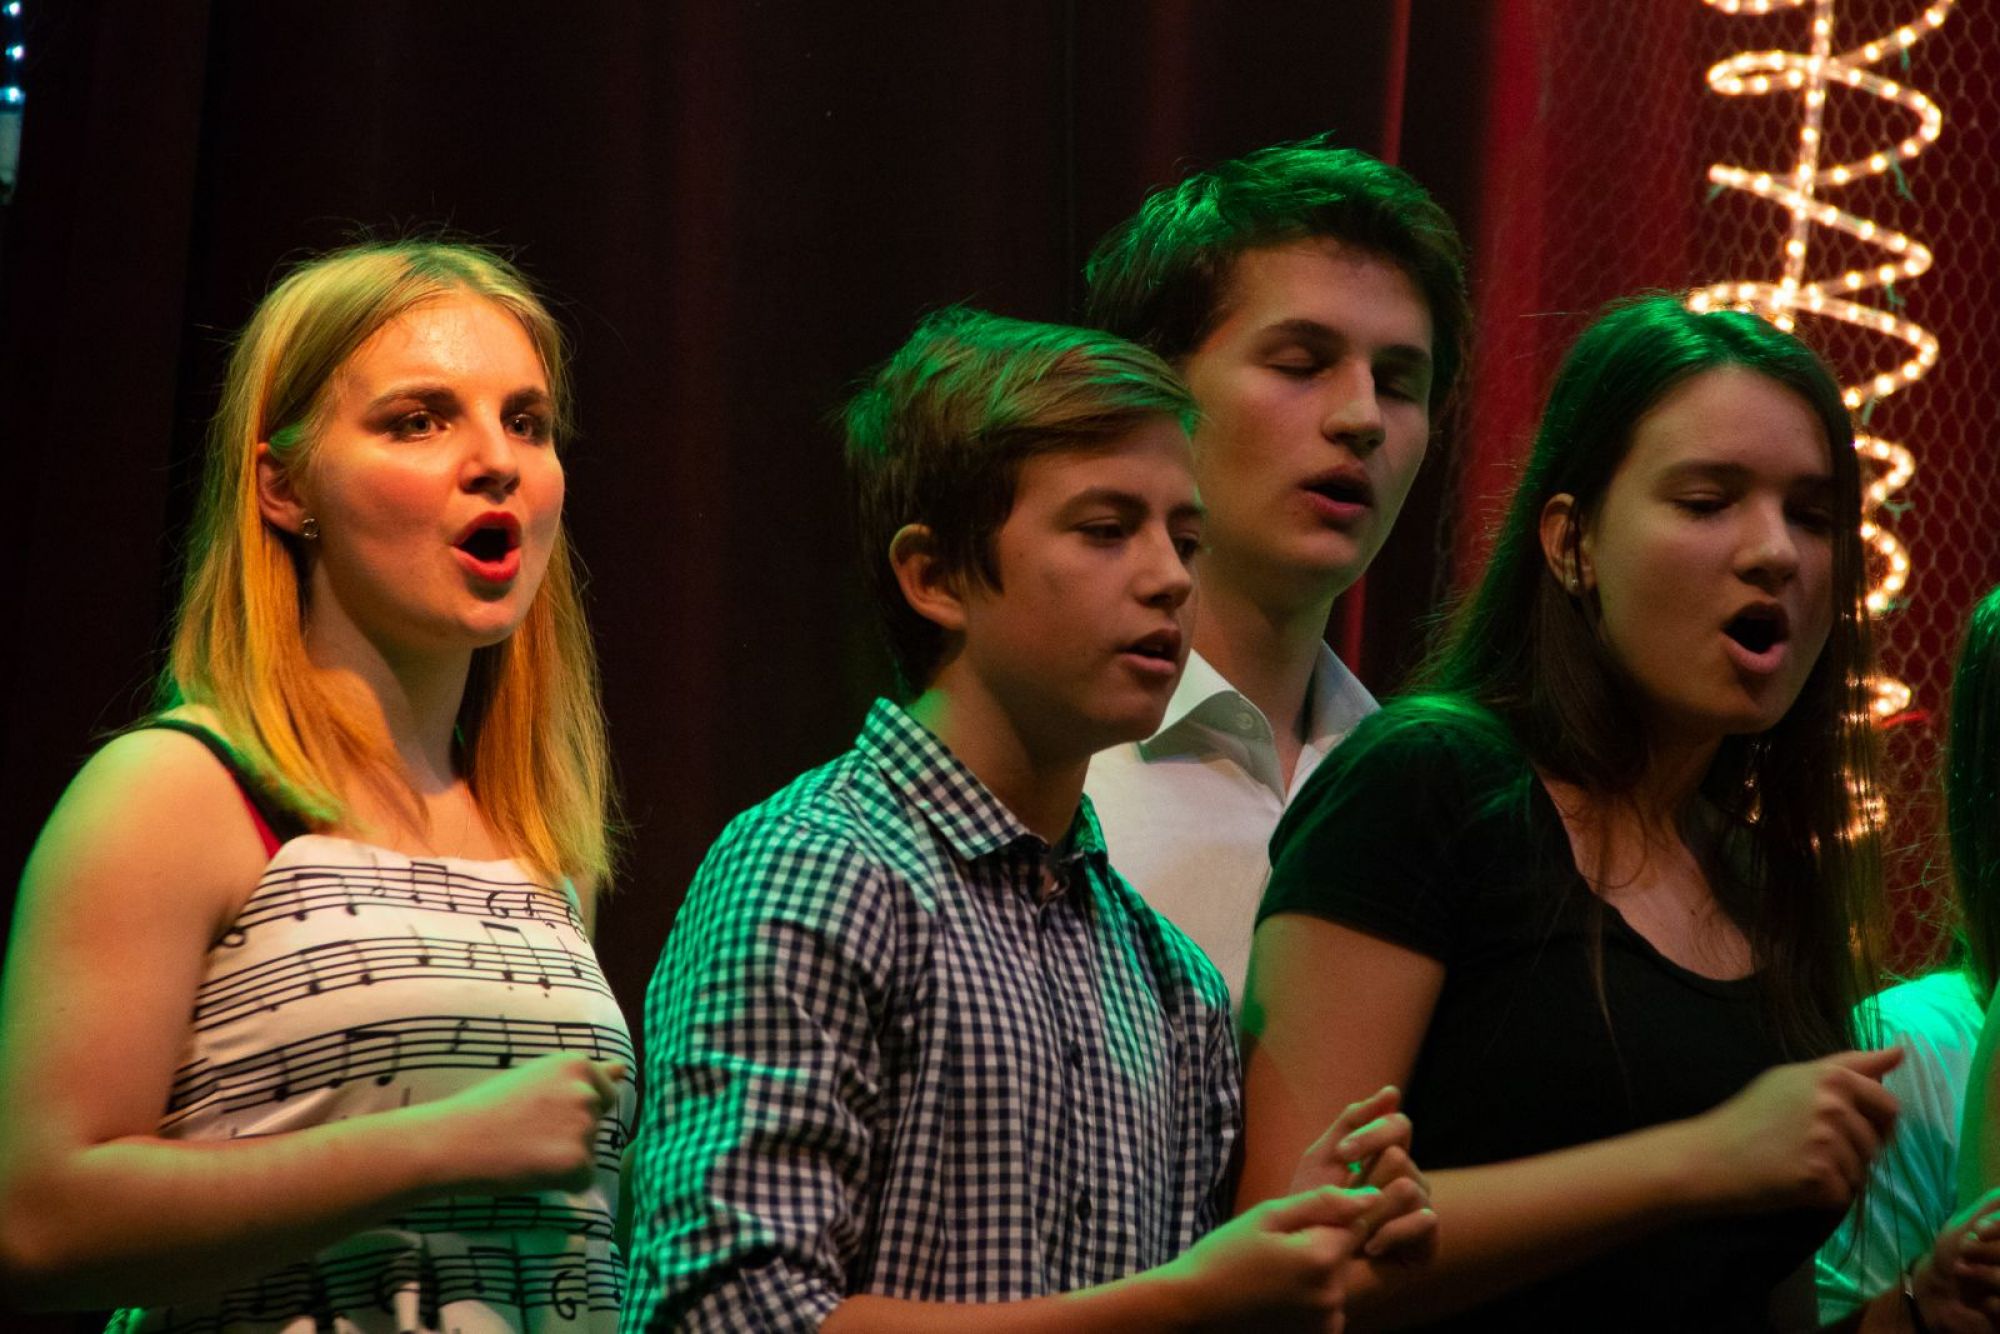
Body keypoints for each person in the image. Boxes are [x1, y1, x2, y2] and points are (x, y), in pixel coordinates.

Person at [622, 308, 1431, 1333]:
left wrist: (1285, 1255)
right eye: (1105, 530)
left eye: (1185, 540)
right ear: (934, 577)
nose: (1169, 578)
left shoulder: (1167, 976)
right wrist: (1191, 1294)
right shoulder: (819, 869)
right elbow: (729, 1314)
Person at [1240, 295, 1945, 1330]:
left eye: (1811, 515)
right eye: (1707, 501)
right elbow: (1287, 1252)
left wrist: (1915, 1312)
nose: (1775, 553)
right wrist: (1702, 1158)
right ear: (1571, 543)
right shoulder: (1431, 782)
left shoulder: (1758, 881)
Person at [0, 241, 634, 1330]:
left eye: (526, 422)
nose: (497, 461)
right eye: (419, 421)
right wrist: (438, 1144)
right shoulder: (178, 792)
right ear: (285, 486)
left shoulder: (541, 849)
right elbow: (36, 1218)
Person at [1083, 136, 1469, 1004]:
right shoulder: (1045, 776)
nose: (1363, 417)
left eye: (1399, 383)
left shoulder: (1425, 792)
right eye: (1301, 365)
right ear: (1153, 390)